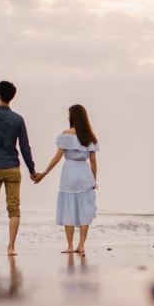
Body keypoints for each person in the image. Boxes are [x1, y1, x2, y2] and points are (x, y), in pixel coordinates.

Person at [0, 80, 40, 256]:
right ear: (11, 97)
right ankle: (11, 247)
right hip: (13, 167)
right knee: (14, 208)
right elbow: (25, 148)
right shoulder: (18, 119)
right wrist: (32, 170)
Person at [35, 104, 99, 254]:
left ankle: (70, 246)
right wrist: (93, 180)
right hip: (84, 171)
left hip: (69, 171)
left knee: (69, 208)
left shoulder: (66, 134)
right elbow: (94, 162)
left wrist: (44, 173)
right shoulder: (91, 136)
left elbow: (57, 158)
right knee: (84, 210)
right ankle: (81, 245)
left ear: (72, 117)